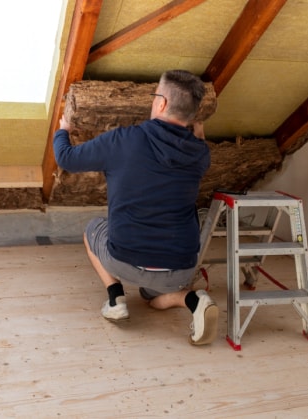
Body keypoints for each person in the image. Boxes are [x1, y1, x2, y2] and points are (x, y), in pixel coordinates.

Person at [53, 69, 218, 345]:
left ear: (162, 103)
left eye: (156, 96)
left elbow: (66, 159)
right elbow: (196, 145)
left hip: (125, 259)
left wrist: (64, 129)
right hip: (180, 267)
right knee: (152, 298)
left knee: (92, 229)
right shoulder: (200, 154)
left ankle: (115, 296)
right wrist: (198, 131)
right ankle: (193, 299)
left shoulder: (123, 140)